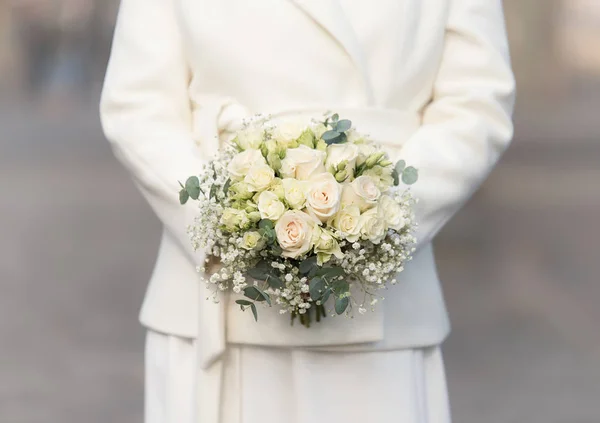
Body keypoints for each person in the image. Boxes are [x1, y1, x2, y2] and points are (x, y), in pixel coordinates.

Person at [100, 0, 515, 422]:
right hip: (217, 300)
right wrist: (224, 217)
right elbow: (138, 105)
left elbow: (476, 103)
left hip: (384, 310)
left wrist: (379, 213)